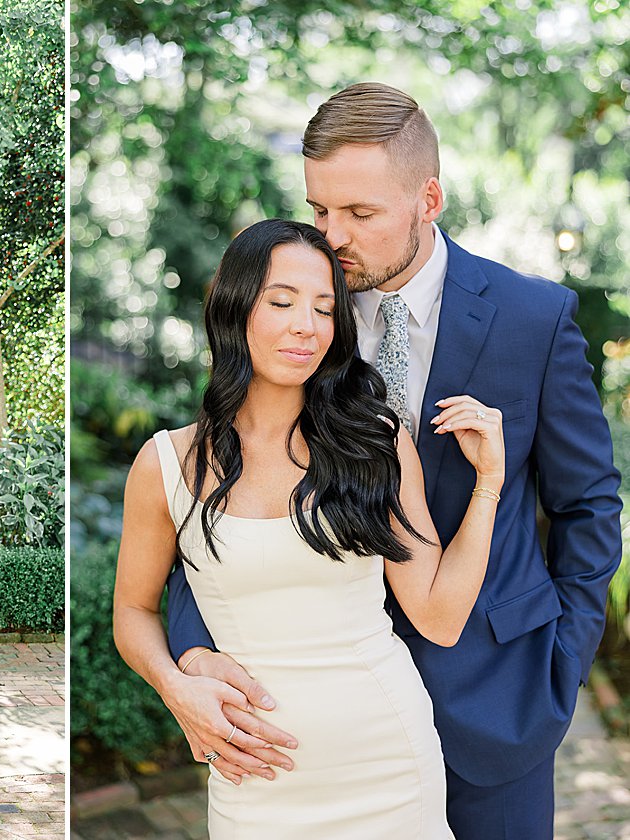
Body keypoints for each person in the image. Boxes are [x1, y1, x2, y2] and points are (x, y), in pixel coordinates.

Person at [162, 83, 623, 839]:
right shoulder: (294, 316)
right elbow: (213, 498)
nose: (332, 237)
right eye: (319, 210)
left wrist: (560, 666)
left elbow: (589, 506)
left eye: (360, 214)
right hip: (318, 721)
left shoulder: (535, 318)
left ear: (428, 199)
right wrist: (194, 651)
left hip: (496, 705)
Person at [114, 217, 505, 837]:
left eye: (325, 308)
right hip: (255, 772)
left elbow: (439, 614)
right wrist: (174, 684)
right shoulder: (167, 463)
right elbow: (133, 610)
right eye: (283, 302)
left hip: (389, 766)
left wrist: (488, 485)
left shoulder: (375, 442)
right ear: (234, 308)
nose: (307, 325)